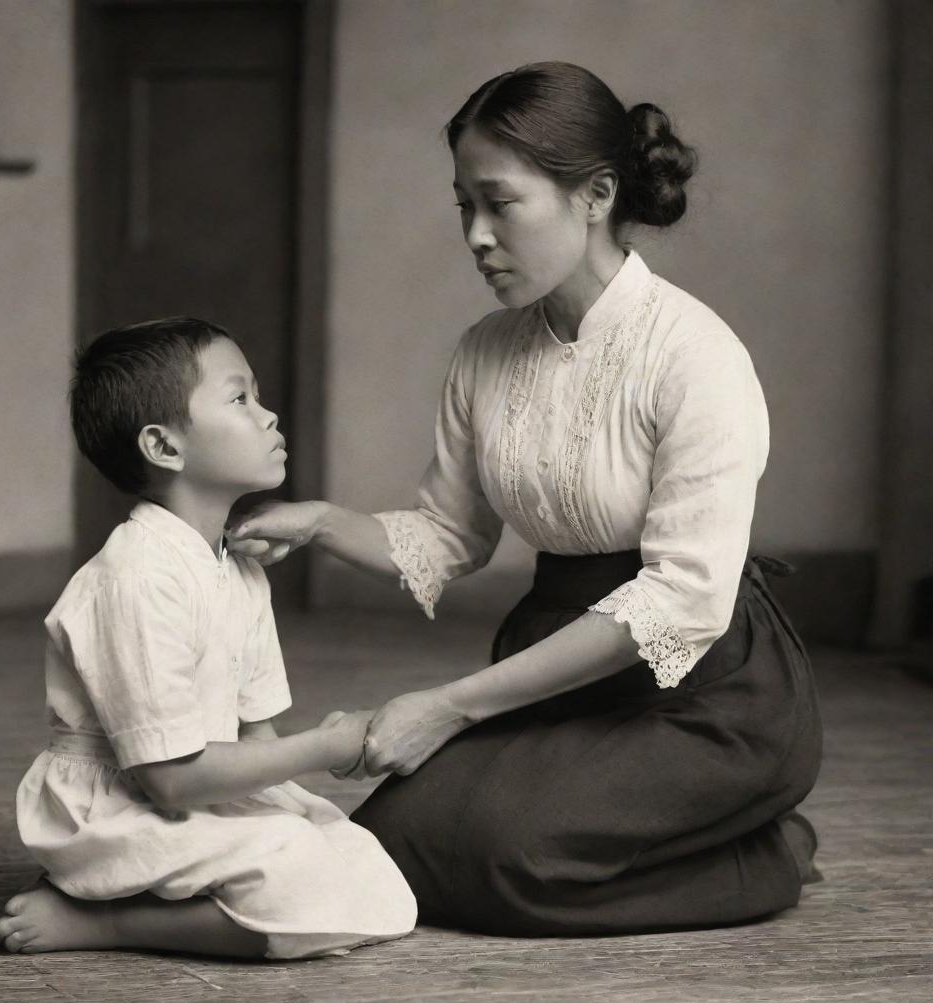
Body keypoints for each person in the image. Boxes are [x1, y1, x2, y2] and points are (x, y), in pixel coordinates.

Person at [230, 61, 823, 936]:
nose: (475, 235)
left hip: (699, 689)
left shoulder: (695, 356)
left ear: (596, 195)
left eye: (499, 204)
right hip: (554, 668)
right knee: (393, 845)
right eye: (462, 206)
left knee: (513, 860)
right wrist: (318, 521)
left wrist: (448, 706)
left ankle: (765, 852)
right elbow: (449, 535)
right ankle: (657, 833)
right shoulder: (484, 352)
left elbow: (680, 600)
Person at [0, 317, 417, 959]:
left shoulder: (239, 566)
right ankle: (104, 922)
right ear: (164, 446)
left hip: (201, 785)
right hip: (122, 802)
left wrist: (295, 796)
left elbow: (257, 736)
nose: (269, 416)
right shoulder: (135, 577)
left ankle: (135, 892)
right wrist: (325, 745)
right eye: (240, 398)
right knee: (304, 877)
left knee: (363, 867)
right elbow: (168, 780)